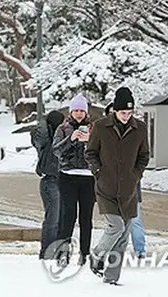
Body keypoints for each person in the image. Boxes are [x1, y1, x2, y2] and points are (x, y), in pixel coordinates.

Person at [85, 87, 150, 285]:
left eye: (129, 112)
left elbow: (144, 156)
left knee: (123, 237)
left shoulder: (139, 128)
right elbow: (90, 153)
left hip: (129, 190)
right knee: (116, 226)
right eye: (123, 112)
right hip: (106, 187)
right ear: (115, 110)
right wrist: (98, 172)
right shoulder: (100, 126)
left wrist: (135, 175)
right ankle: (96, 255)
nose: (126, 116)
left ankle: (111, 278)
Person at [51, 94, 95, 267]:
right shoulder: (63, 128)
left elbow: (101, 150)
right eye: (75, 110)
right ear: (70, 111)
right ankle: (63, 252)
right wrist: (71, 139)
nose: (78, 114)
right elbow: (56, 150)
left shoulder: (93, 128)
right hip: (67, 176)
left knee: (86, 217)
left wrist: (89, 140)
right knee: (68, 215)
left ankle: (85, 253)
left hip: (88, 177)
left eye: (81, 110)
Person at [105, 102, 147, 259]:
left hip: (130, 186)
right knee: (115, 223)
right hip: (110, 188)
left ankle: (140, 250)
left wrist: (135, 175)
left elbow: (142, 157)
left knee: (134, 220)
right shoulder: (104, 132)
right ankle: (111, 255)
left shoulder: (135, 132)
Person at [31, 109, 65, 259]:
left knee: (62, 218)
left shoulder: (62, 136)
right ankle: (47, 252)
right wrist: (44, 122)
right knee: (53, 218)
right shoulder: (44, 139)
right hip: (50, 180)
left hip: (64, 179)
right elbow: (37, 136)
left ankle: (58, 250)